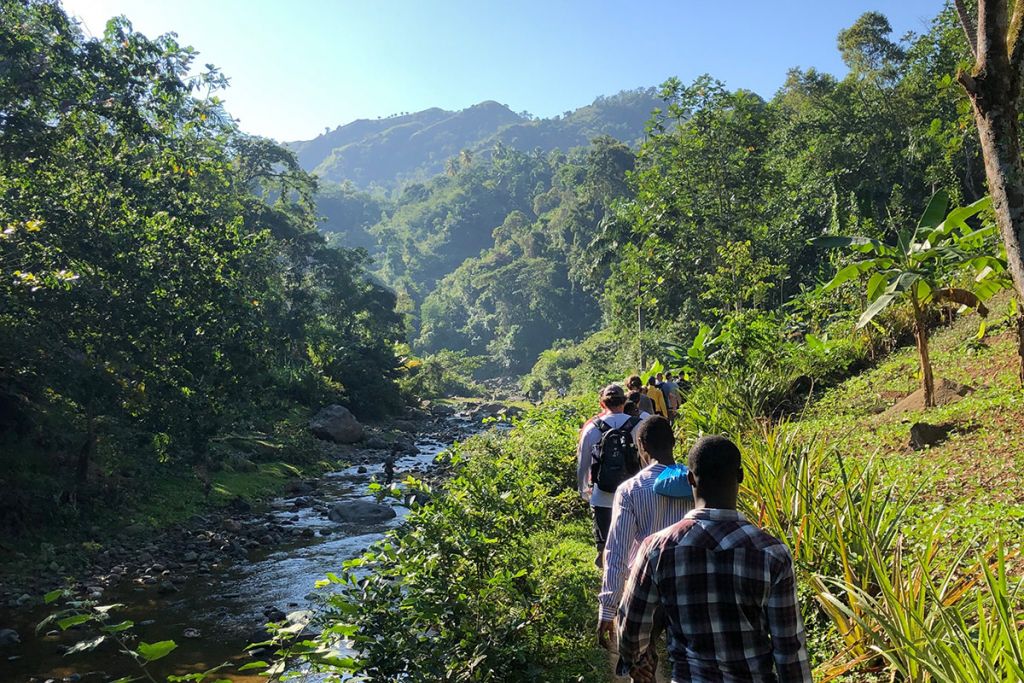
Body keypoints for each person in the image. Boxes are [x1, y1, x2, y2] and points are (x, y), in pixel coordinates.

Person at [616, 435, 812, 683]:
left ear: (689, 478)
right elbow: (789, 649)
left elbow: (631, 629)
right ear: (740, 476)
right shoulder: (772, 553)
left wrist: (638, 661)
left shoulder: (657, 548)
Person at [596, 416, 693, 652]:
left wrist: (608, 608)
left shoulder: (630, 489)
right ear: (674, 443)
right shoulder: (692, 482)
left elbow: (617, 552)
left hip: (645, 587)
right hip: (689, 583)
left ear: (641, 446)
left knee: (640, 660)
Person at [576, 384, 643, 567]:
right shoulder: (639, 425)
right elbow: (646, 460)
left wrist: (584, 490)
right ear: (624, 402)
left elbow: (583, 463)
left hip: (602, 494)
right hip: (633, 492)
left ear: (602, 403)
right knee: (632, 543)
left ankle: (606, 567)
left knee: (605, 543)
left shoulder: (592, 428)